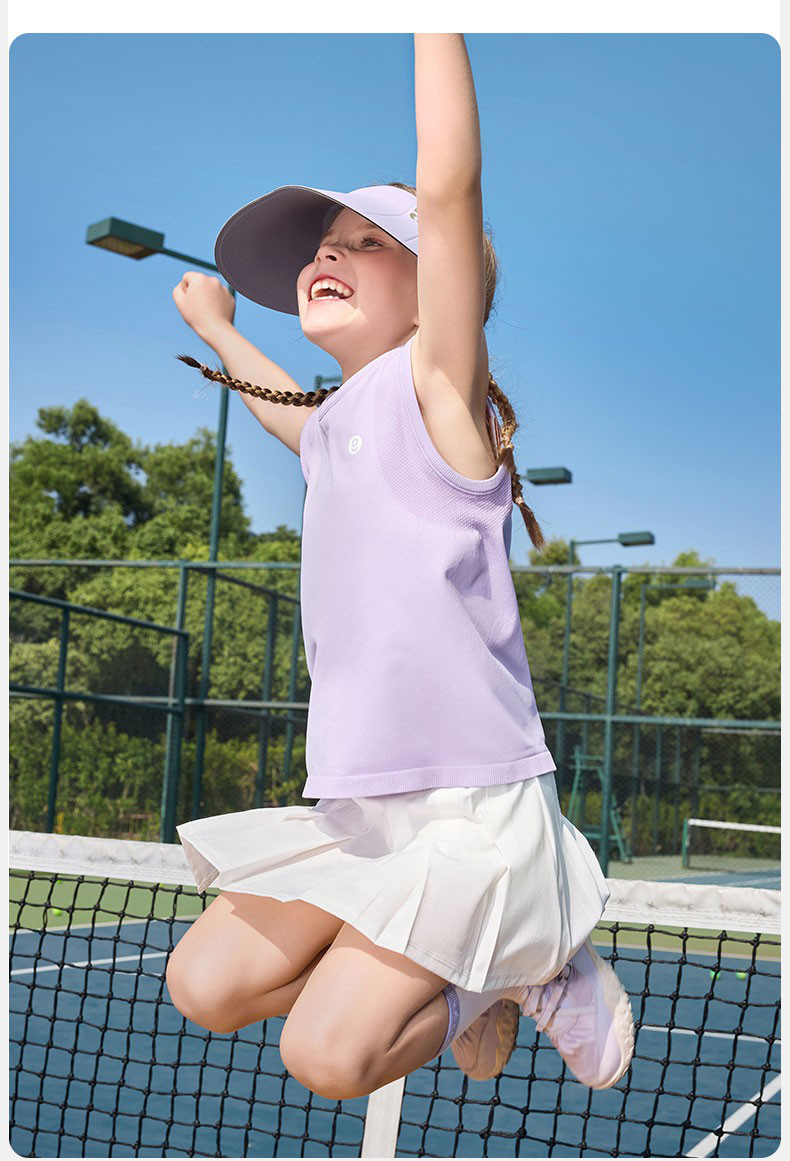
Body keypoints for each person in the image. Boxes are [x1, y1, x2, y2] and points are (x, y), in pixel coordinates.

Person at [166, 33, 634, 1101]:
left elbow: (452, 183)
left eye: (368, 240)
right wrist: (219, 328)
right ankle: (469, 965)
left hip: (471, 810)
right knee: (204, 985)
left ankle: (511, 967)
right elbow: (288, 418)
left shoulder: (438, 395)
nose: (326, 254)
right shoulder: (337, 428)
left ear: (438, 291)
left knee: (327, 1056)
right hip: (358, 808)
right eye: (325, 243)